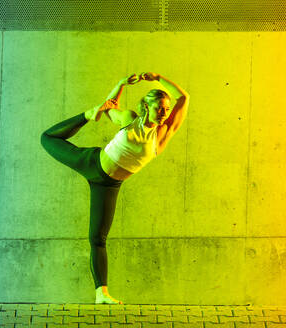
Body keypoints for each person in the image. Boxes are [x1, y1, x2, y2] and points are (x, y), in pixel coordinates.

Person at [40, 72, 190, 304]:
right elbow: (108, 107)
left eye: (166, 109)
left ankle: (102, 294)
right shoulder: (130, 119)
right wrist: (119, 85)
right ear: (146, 107)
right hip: (92, 162)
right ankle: (84, 116)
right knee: (48, 138)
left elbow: (184, 97)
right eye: (159, 108)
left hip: (109, 185)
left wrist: (158, 77)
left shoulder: (162, 135)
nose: (164, 113)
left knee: (97, 238)